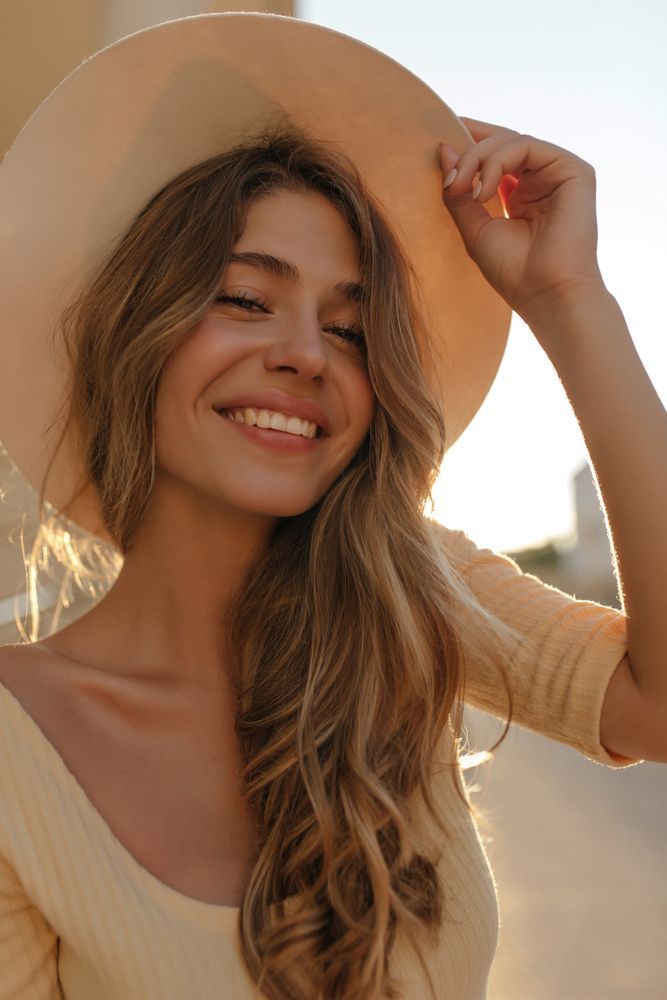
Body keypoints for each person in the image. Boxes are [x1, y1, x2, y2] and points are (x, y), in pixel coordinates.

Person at [0, 12, 663, 1000]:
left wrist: (571, 299)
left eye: (349, 329)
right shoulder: (18, 752)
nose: (306, 354)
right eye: (244, 298)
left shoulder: (408, 595)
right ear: (137, 337)